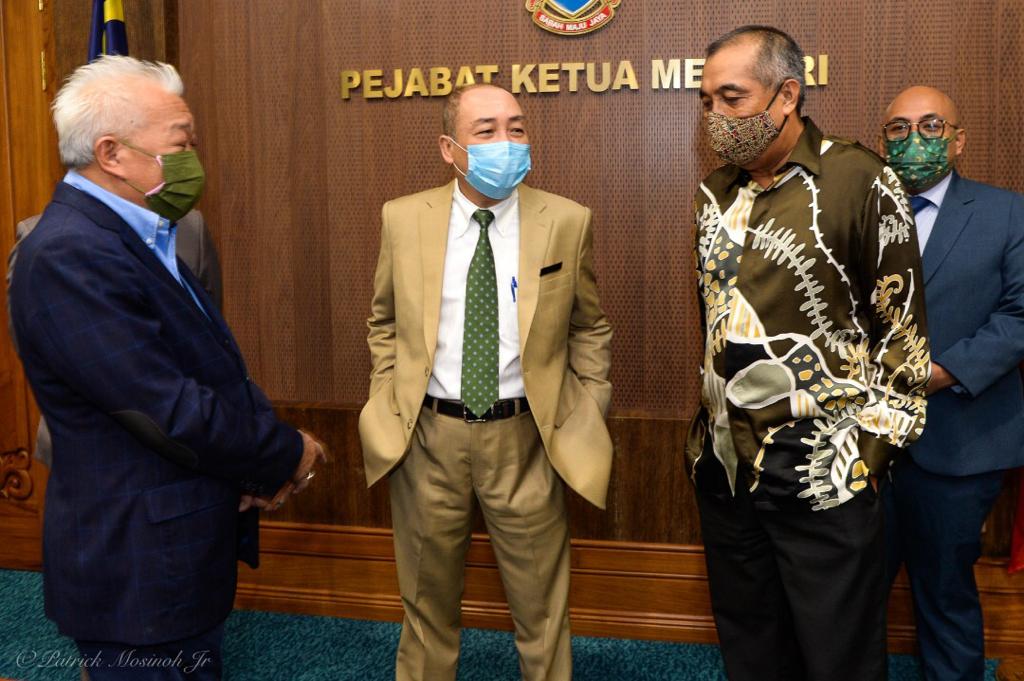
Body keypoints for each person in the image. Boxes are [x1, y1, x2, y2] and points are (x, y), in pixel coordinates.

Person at [8, 55, 326, 680]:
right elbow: (164, 408)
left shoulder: (137, 234)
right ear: (112, 153)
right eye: (181, 143)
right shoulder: (70, 253)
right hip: (137, 565)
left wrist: (250, 458)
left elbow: (208, 366)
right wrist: (286, 453)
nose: (193, 158)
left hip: (172, 548)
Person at [686, 26, 930, 681]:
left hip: (825, 471)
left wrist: (864, 459)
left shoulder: (860, 178)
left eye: (732, 97)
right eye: (706, 101)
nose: (715, 116)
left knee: (837, 658)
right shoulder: (714, 193)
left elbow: (902, 334)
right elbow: (716, 327)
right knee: (752, 650)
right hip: (727, 470)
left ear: (787, 94)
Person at [359, 83, 613, 681]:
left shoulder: (566, 220)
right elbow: (383, 320)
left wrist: (586, 408)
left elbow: (590, 326)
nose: (507, 141)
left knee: (542, 611)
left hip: (526, 440)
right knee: (426, 607)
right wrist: (387, 396)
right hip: (427, 439)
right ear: (449, 148)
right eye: (487, 130)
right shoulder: (402, 217)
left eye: (516, 127)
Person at [879, 85, 1024, 681]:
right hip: (859, 446)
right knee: (849, 595)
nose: (913, 138)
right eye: (898, 128)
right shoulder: (855, 213)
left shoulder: (1007, 212)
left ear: (959, 139)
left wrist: (942, 373)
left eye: (931, 126)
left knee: (945, 594)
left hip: (960, 440)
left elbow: (1019, 315)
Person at [7, 209, 223, 469]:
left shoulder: (190, 228)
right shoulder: (38, 236)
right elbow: (32, 344)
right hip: (89, 454)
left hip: (186, 442)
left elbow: (212, 344)